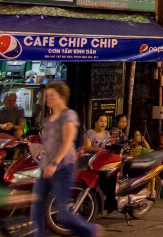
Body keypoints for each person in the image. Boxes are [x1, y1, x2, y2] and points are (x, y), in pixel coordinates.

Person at [30, 81, 102, 237]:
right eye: (47, 96)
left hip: (62, 168)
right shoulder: (49, 118)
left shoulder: (68, 115)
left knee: (62, 213)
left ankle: (90, 231)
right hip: (45, 168)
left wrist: (54, 163)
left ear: (62, 97)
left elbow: (67, 141)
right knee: (36, 207)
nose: (48, 99)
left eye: (52, 96)